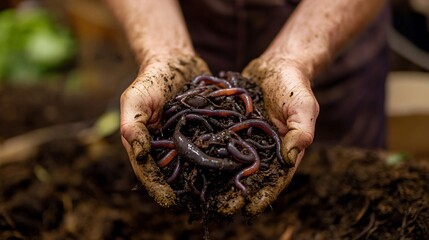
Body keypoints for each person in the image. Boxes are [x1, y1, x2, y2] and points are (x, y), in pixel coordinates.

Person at [106, 0, 389, 215]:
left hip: (330, 27)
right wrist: (164, 51)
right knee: (171, 210)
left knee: (339, 195)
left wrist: (296, 59)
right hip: (184, 21)